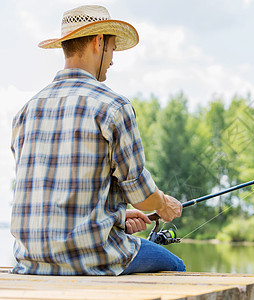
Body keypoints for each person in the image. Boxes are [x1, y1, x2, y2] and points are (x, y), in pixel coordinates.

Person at [10, 5, 185, 275]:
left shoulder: (25, 112)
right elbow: (142, 196)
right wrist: (163, 204)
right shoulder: (113, 107)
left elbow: (52, 191)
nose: (113, 60)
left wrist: (117, 216)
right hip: (94, 257)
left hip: (30, 262)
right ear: (98, 42)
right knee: (176, 267)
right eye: (113, 49)